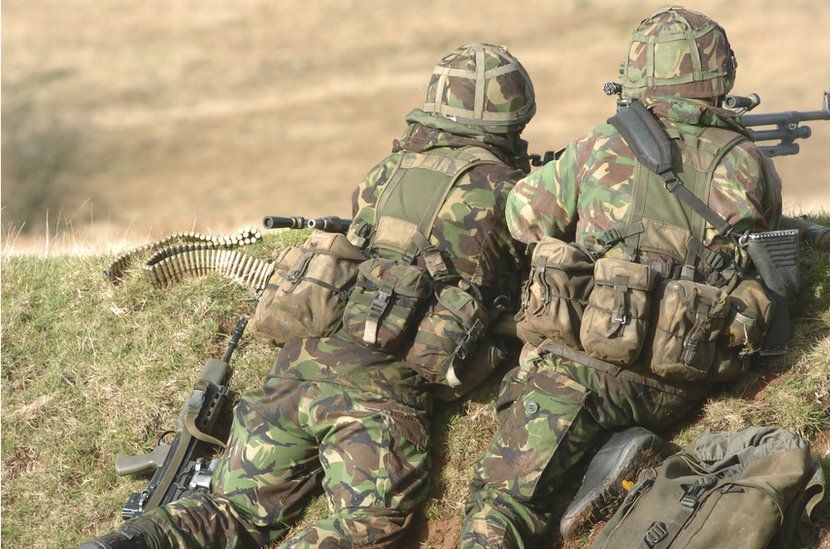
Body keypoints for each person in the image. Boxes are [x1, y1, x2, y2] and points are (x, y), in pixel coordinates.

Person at [83, 42, 535, 549]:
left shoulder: (385, 171)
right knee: (371, 525)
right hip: (375, 396)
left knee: (231, 510)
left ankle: (126, 542)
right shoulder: (509, 190)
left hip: (296, 369)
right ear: (512, 117)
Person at [460, 6, 784, 547]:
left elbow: (522, 216)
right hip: (680, 379)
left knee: (499, 507)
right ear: (721, 76)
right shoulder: (749, 161)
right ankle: (618, 453)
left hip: (581, 370)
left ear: (637, 75)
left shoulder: (600, 146)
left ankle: (609, 454)